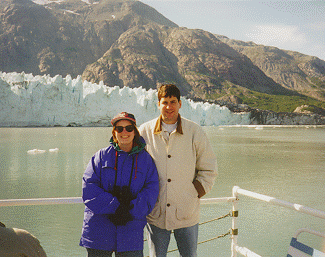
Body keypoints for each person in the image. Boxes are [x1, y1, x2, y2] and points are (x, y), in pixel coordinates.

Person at [139, 84, 217, 257]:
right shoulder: (144, 132)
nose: (169, 107)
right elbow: (134, 167)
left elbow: (209, 167)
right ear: (158, 104)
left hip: (187, 211)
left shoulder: (194, 131)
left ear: (180, 104)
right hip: (156, 213)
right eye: (164, 102)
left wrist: (193, 192)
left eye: (173, 102)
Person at [80, 112, 159, 257]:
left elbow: (151, 191)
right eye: (119, 128)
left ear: (135, 132)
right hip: (99, 231)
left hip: (130, 231)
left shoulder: (146, 160)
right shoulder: (101, 156)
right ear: (114, 132)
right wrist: (115, 206)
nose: (124, 132)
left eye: (129, 128)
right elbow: (89, 188)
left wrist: (129, 209)